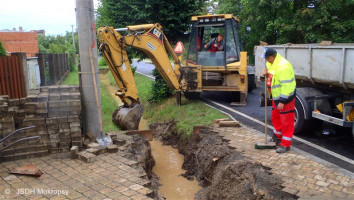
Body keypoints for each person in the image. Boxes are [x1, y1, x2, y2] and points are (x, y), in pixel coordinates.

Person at [263, 48, 296, 153]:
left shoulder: (283, 66)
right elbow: (273, 78)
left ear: (272, 57)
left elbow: (287, 86)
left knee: (286, 122)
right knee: (275, 118)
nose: (266, 61)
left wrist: (282, 101)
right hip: (276, 98)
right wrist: (267, 74)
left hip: (285, 99)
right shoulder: (272, 64)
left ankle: (286, 145)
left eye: (267, 58)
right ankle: (278, 137)